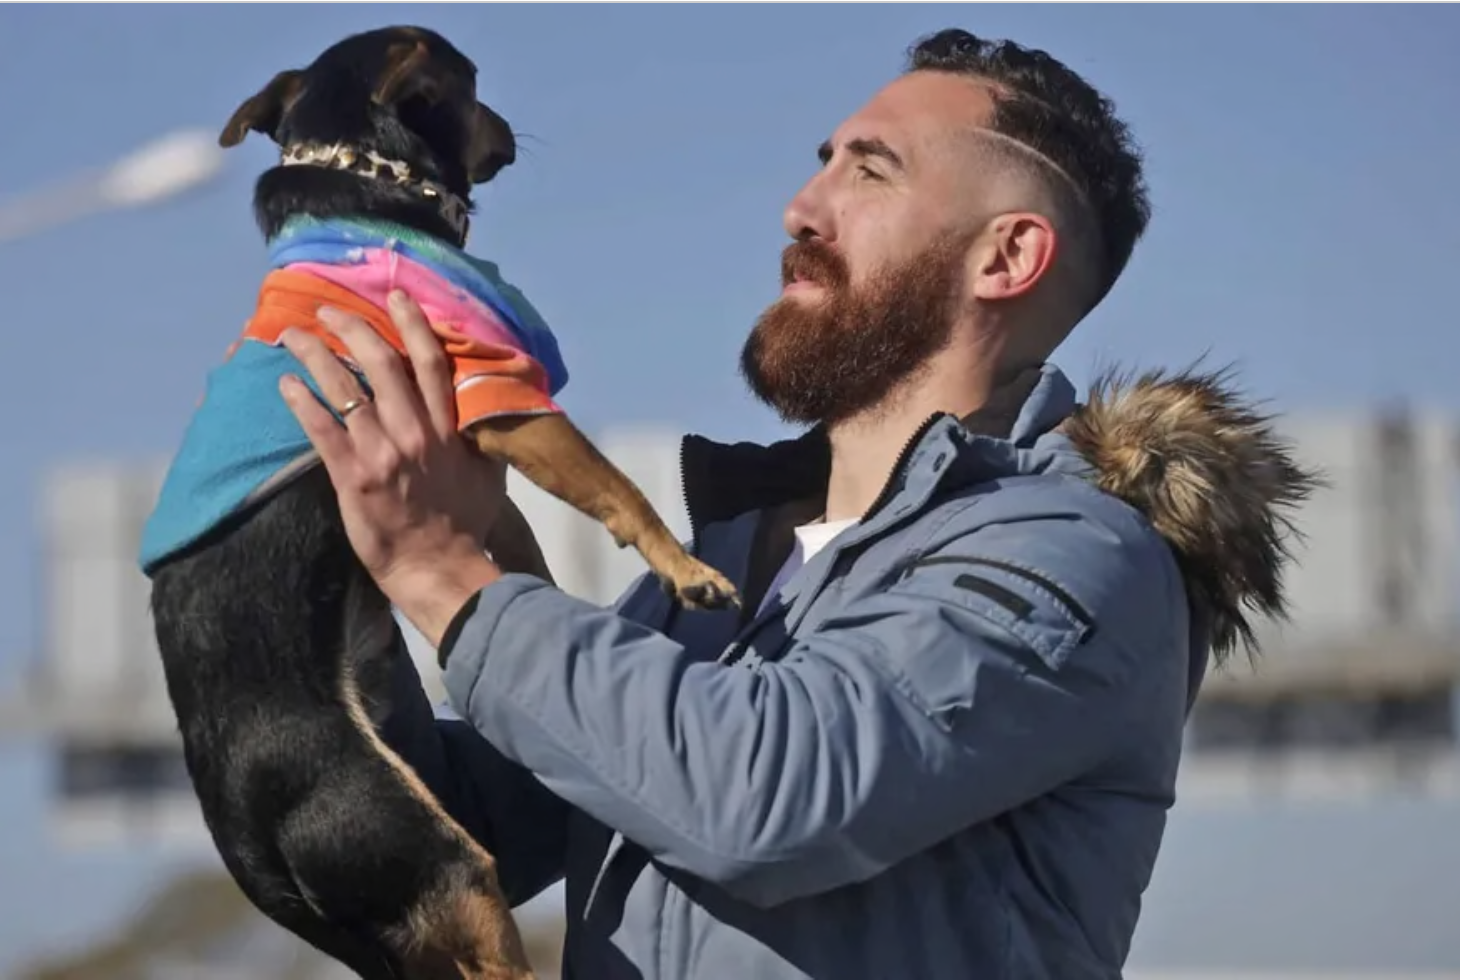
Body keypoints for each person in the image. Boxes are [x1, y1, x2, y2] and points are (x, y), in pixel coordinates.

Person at [276, 28, 1316, 980]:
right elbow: (487, 822)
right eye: (820, 161)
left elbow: (768, 795)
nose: (800, 206)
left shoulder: (1075, 550)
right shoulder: (729, 560)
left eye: (868, 167)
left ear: (1006, 255)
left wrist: (447, 578)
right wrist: (292, 625)